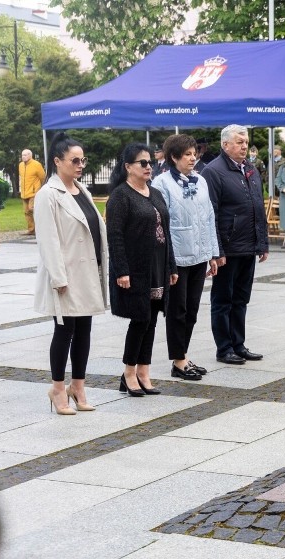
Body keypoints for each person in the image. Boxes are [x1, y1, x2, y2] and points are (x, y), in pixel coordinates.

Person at [34, 132, 108, 415]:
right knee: (65, 330)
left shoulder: (82, 191)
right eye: (74, 160)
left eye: (82, 160)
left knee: (84, 330)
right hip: (65, 274)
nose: (80, 165)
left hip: (87, 271)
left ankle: (78, 385)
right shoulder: (48, 195)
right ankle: (56, 387)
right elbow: (48, 240)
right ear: (57, 161)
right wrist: (58, 277)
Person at [107, 143, 177, 396]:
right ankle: (128, 373)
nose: (149, 167)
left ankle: (144, 372)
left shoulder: (155, 192)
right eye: (143, 163)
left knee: (152, 319)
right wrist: (121, 271)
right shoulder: (120, 196)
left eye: (151, 163)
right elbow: (114, 236)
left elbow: (166, 233)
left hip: (157, 265)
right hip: (136, 269)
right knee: (140, 319)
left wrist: (171, 266)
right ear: (128, 167)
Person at [152, 134, 219, 380]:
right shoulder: (161, 183)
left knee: (191, 310)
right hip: (177, 257)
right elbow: (161, 223)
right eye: (187, 154)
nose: (193, 158)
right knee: (177, 311)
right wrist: (167, 262)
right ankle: (178, 360)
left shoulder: (200, 180)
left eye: (194, 154)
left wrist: (212, 253)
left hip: (199, 255)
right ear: (174, 157)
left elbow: (210, 217)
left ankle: (184, 355)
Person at [201, 125, 268, 365]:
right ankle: (224, 347)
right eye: (239, 142)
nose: (244, 146)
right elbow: (211, 214)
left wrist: (262, 243)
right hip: (227, 248)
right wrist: (217, 251)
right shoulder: (214, 171)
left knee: (241, 298)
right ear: (225, 144)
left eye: (246, 141)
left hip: (248, 246)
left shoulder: (249, 169)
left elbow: (257, 207)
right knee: (223, 300)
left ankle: (239, 344)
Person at [19, 148, 45, 236]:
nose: (23, 157)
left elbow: (43, 177)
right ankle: (31, 230)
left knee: (32, 209)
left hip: (34, 192)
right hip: (24, 192)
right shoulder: (21, 165)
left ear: (30, 155)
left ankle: (41, 228)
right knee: (26, 211)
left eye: (25, 155)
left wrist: (41, 189)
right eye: (22, 155)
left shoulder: (36, 165)